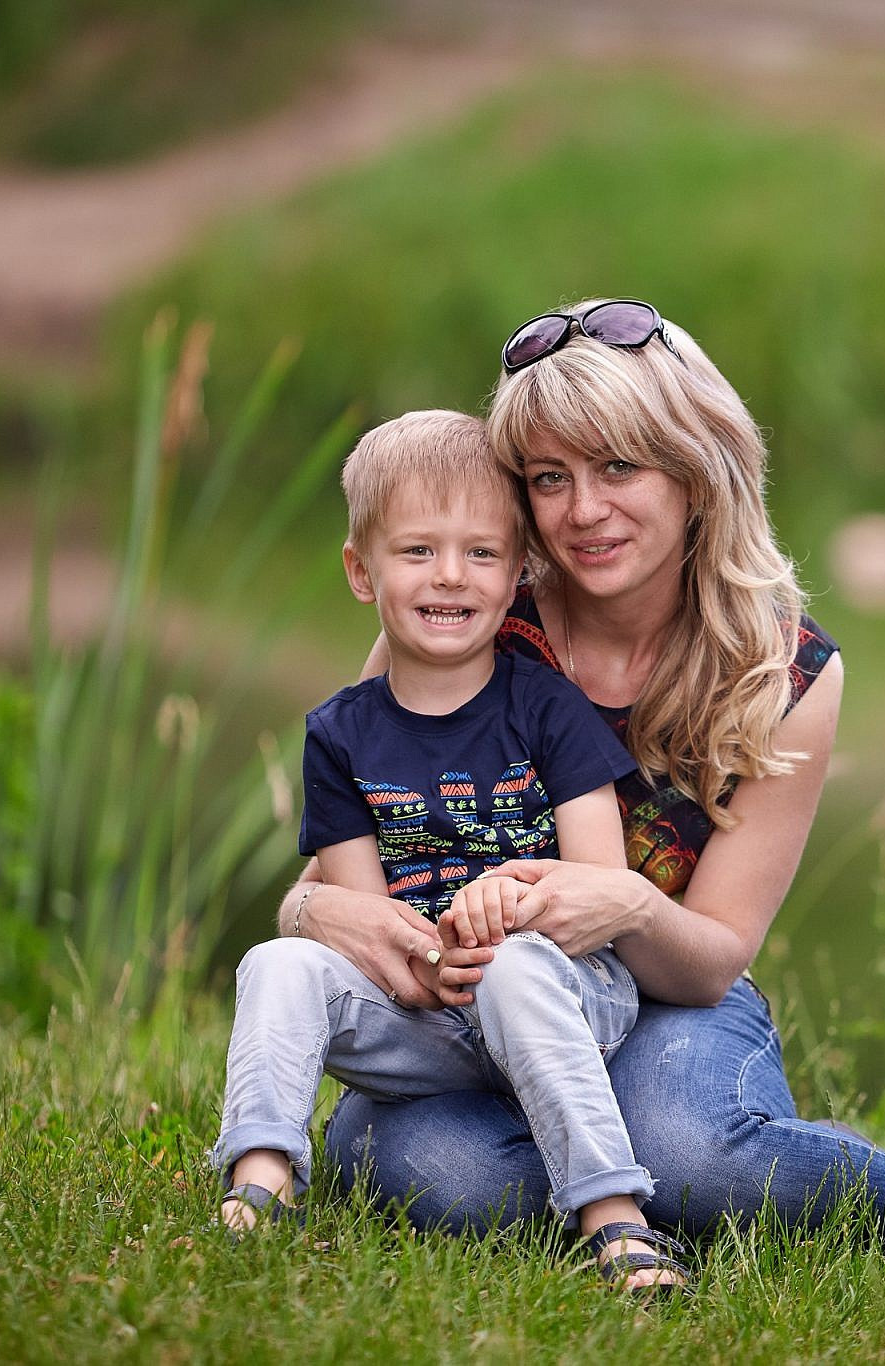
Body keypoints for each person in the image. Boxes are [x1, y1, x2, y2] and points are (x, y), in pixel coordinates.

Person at [283, 301, 885, 1251]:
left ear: (697, 473)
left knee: (690, 1147)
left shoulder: (782, 674)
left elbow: (714, 958)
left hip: (661, 1002)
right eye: (548, 478)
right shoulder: (473, 617)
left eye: (620, 466)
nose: (583, 510)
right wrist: (313, 915)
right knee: (432, 1177)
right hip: (470, 1016)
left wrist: (625, 904)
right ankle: (656, 1211)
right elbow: (332, 877)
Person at [209, 410, 692, 1289]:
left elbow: (601, 888)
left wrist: (505, 913)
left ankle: (615, 1217)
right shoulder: (339, 735)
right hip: (426, 1015)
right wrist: (421, 956)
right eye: (418, 551)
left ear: (518, 576)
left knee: (515, 972)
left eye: (480, 553)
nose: (450, 576)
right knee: (279, 962)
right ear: (362, 571)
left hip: (562, 990)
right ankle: (262, 1179)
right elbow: (364, 920)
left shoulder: (549, 710)